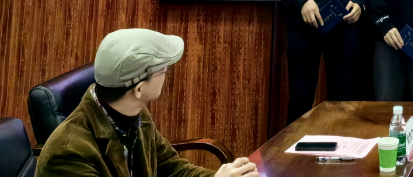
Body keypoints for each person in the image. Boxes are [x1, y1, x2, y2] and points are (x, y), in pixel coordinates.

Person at [37, 28, 257, 177]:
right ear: (139, 89)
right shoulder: (68, 154)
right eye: (164, 70)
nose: (167, 74)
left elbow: (171, 168)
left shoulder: (135, 113)